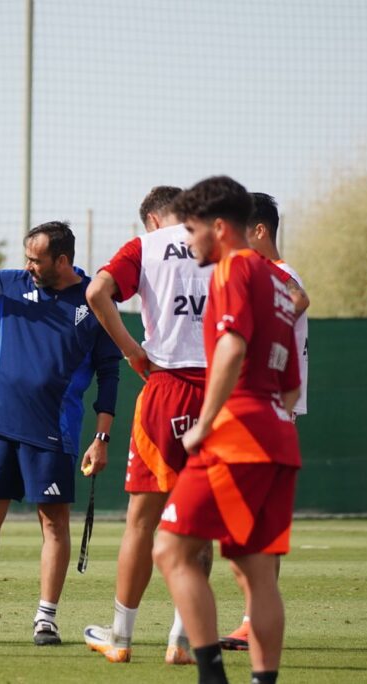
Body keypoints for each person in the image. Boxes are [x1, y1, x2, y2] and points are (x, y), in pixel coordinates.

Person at [0, 207, 120, 646]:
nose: (28, 266)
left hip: (54, 429)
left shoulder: (94, 300)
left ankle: (45, 618)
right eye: (26, 257)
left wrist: (101, 437)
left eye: (36, 260)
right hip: (1, 424)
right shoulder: (10, 284)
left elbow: (110, 372)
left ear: (62, 261)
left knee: (53, 523)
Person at [153, 176, 301, 684]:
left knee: (169, 549)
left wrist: (206, 424)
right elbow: (290, 390)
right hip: (279, 437)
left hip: (238, 436)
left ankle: (211, 676)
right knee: (255, 573)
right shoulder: (278, 281)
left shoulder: (232, 268)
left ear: (219, 228)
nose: (188, 241)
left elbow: (233, 349)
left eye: (191, 229)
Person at [80, 186, 212, 665]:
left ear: (153, 219)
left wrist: (132, 350)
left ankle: (121, 636)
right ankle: (183, 640)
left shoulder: (146, 246)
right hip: (218, 395)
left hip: (166, 387)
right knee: (200, 522)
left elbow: (96, 292)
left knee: (141, 520)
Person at [220, 192, 309, 651]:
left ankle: (255, 621)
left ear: (259, 231)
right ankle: (255, 619)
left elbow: (300, 297)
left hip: (267, 415)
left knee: (254, 530)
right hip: (273, 414)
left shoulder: (276, 274)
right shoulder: (269, 275)